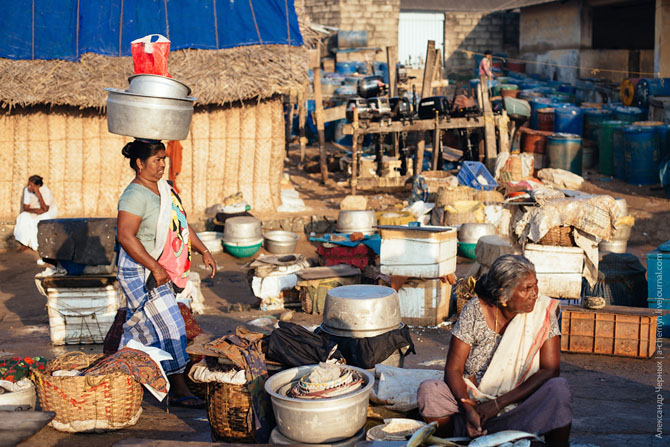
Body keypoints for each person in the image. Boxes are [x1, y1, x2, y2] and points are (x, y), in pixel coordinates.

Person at [417, 255, 572, 447]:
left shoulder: (542, 312)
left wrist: (498, 405)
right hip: (474, 405)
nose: (535, 294)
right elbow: (453, 369)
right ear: (502, 296)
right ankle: (453, 442)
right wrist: (467, 405)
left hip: (518, 406)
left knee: (559, 389)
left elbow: (550, 370)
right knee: (430, 390)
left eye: (535, 285)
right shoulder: (475, 310)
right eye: (526, 289)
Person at [116, 139, 216, 408]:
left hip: (155, 268)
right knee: (170, 324)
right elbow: (125, 236)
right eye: (156, 160)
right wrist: (155, 267)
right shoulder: (134, 195)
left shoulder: (165, 189)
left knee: (142, 327)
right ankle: (179, 389)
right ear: (139, 163)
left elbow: (180, 224)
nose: (162, 165)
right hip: (140, 270)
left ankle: (118, 373)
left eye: (163, 159)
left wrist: (203, 250)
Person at [13, 175, 58, 252]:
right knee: (23, 217)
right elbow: (26, 208)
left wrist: (38, 194)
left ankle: (37, 245)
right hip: (33, 210)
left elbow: (45, 209)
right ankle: (25, 243)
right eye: (28, 184)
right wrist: (36, 210)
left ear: (38, 186)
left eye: (31, 185)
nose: (28, 186)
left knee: (40, 220)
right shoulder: (27, 190)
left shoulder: (45, 190)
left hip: (48, 212)